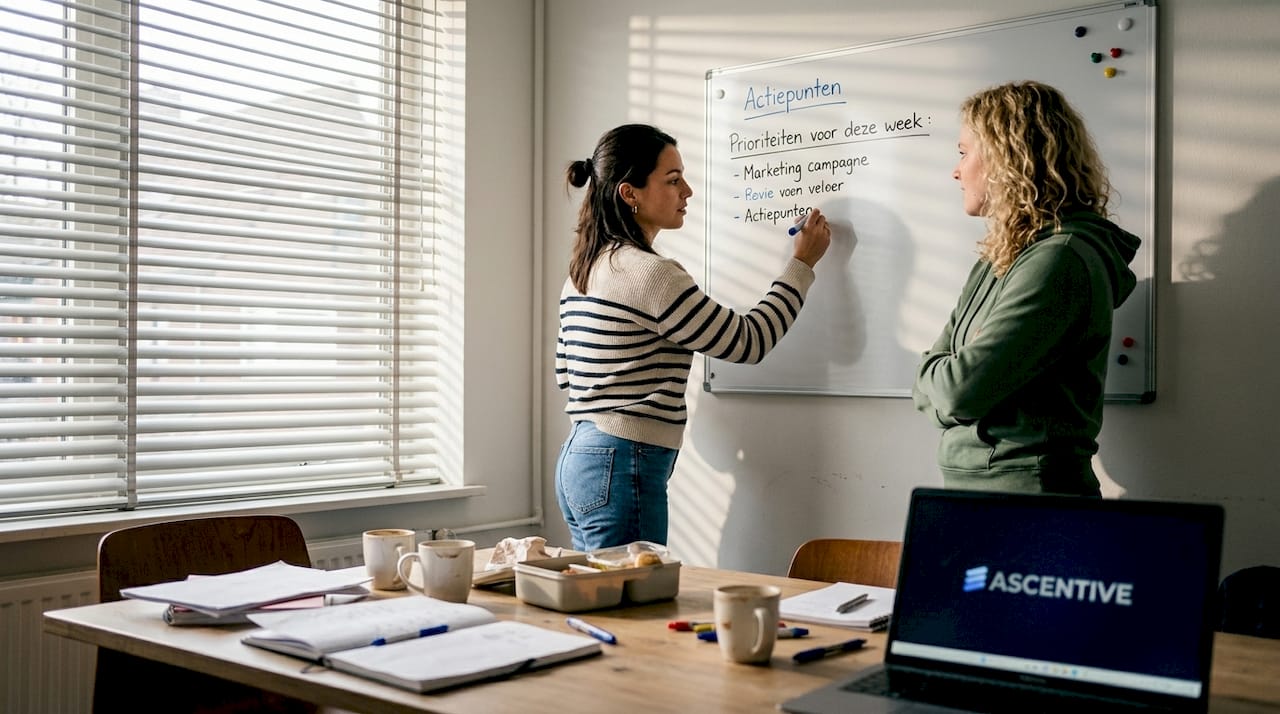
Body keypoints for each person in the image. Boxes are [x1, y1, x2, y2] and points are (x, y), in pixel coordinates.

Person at [555, 123, 831, 550]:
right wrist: (802, 264)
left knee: (604, 604)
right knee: (631, 609)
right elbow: (748, 341)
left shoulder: (583, 272)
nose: (688, 190)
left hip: (580, 456)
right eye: (672, 180)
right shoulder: (651, 274)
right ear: (630, 193)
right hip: (622, 463)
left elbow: (565, 374)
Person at [912, 81, 1140, 497]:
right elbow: (932, 380)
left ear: (1005, 156)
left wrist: (947, 370)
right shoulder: (998, 258)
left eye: (964, 152)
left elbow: (958, 391)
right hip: (974, 496)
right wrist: (943, 370)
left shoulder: (1059, 260)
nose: (956, 170)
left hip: (1029, 502)